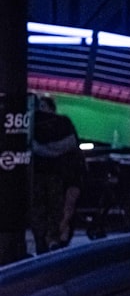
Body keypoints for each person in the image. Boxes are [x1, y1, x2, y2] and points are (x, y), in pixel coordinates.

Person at [30, 95, 84, 254]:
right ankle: (52, 239)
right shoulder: (63, 124)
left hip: (42, 172)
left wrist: (39, 149)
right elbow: (71, 144)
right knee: (55, 207)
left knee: (40, 207)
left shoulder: (33, 124)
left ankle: (43, 239)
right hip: (56, 173)